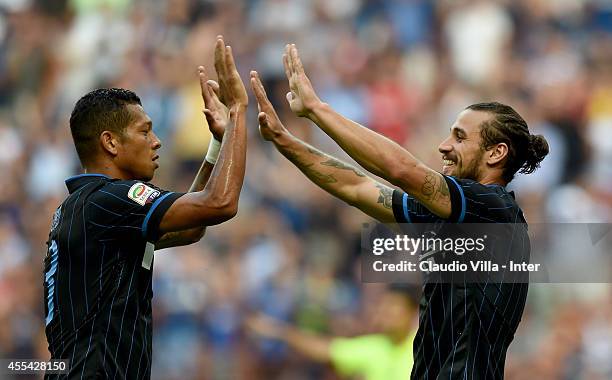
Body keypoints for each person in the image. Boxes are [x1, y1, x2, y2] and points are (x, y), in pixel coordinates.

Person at [249, 44, 549, 379]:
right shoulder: (452, 220)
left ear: (496, 153)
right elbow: (356, 187)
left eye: (460, 137)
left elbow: (401, 170)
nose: (444, 145)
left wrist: (318, 110)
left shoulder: (495, 210)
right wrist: (283, 140)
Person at [42, 36, 247, 379]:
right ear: (110, 142)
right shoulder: (109, 199)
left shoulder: (89, 208)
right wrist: (239, 112)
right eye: (145, 131)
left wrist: (216, 144)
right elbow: (221, 203)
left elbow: (190, 227)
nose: (157, 141)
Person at [246, 286, 419, 380]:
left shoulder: (425, 347)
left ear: (412, 312)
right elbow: (325, 350)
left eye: (393, 307)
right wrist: (279, 330)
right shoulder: (373, 347)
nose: (385, 313)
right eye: (383, 307)